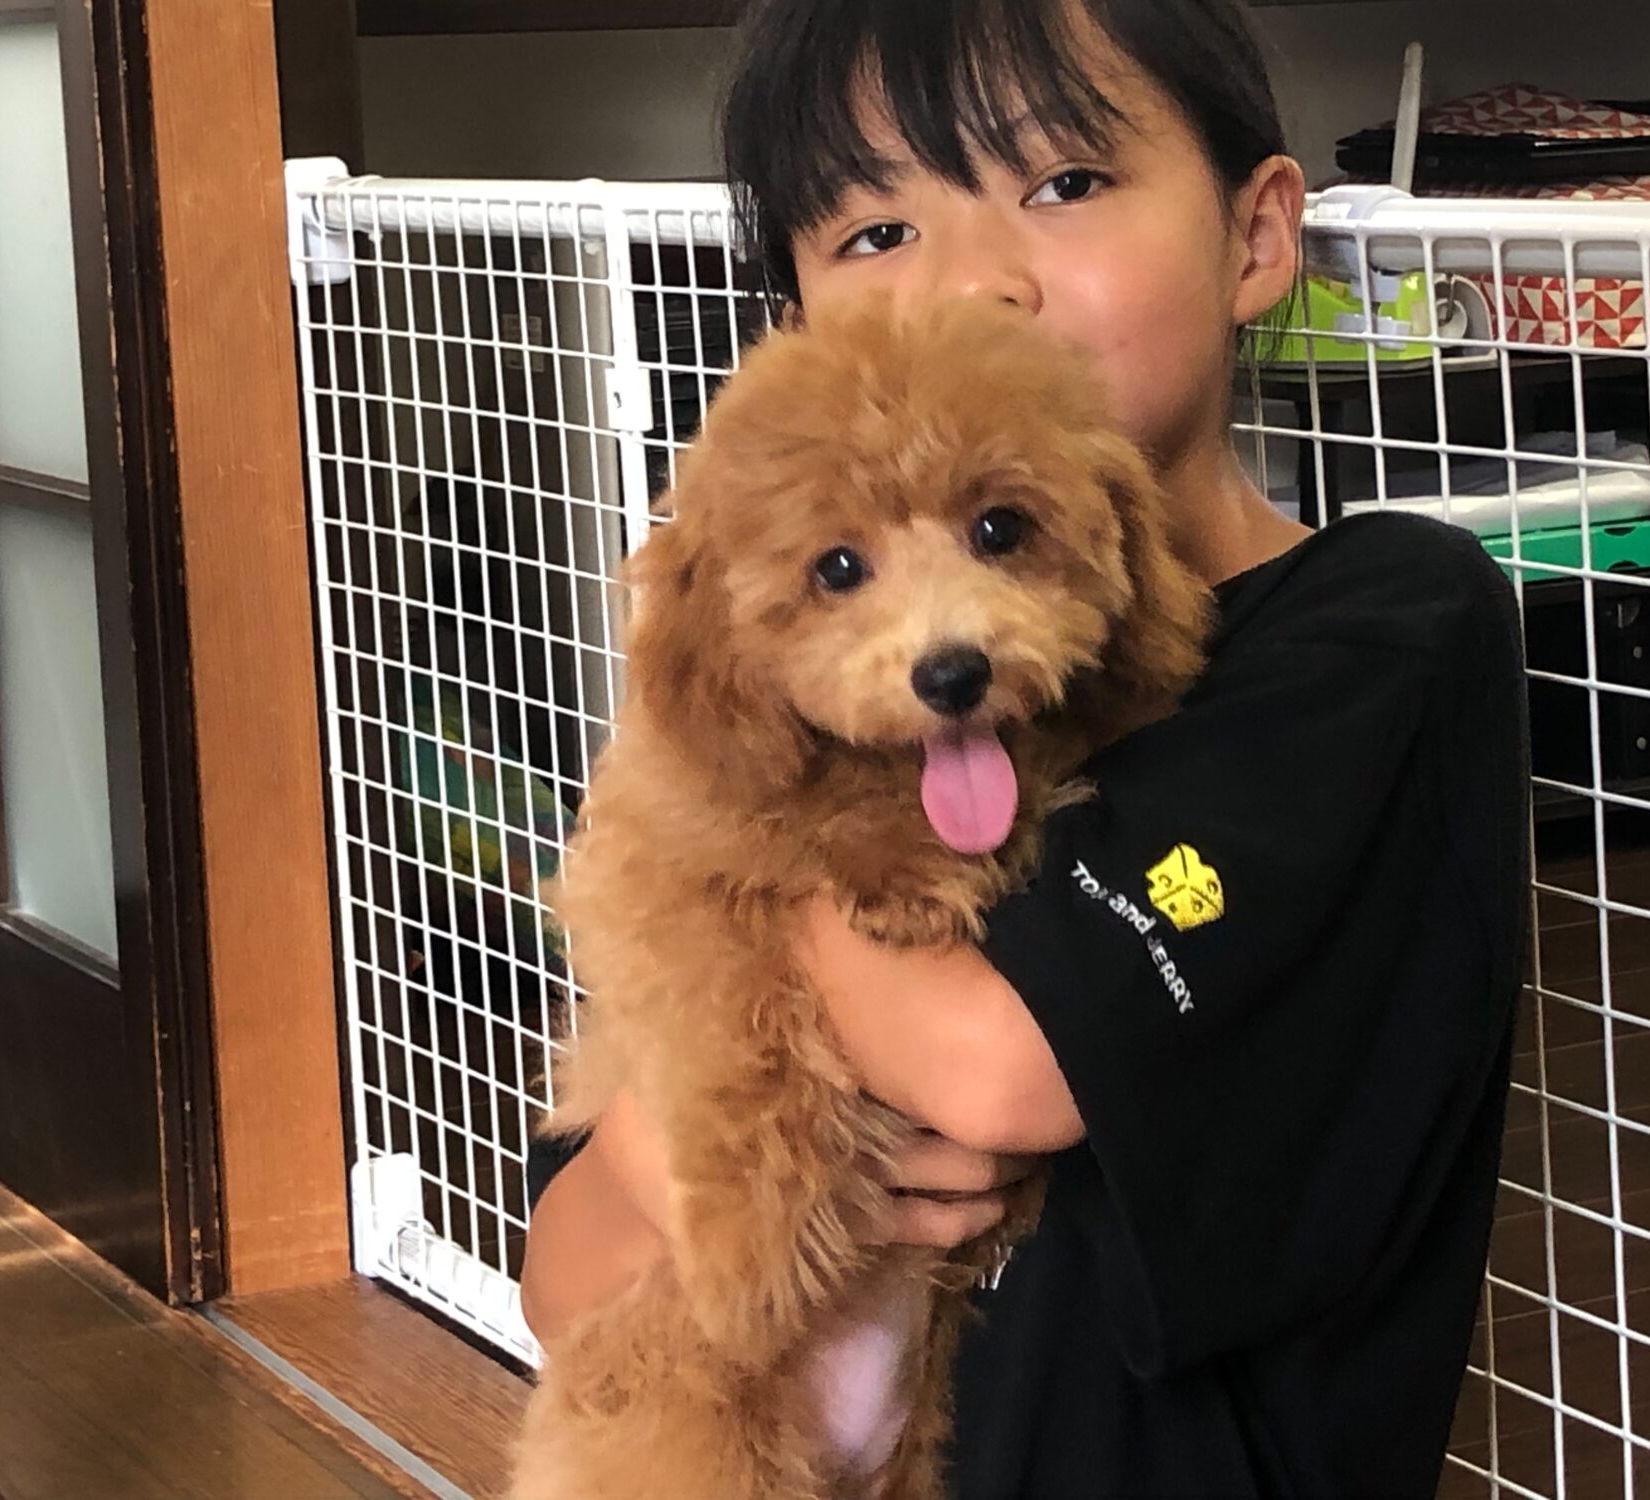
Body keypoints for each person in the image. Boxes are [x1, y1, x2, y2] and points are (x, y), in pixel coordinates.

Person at [519, 1, 1530, 1495]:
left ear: (1257, 236)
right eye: (876, 233)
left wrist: (732, 867)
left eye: (1064, 182)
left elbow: (1000, 1068)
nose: (976, 284)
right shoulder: (791, 698)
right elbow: (563, 1282)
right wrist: (671, 1151)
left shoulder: (1380, 630)